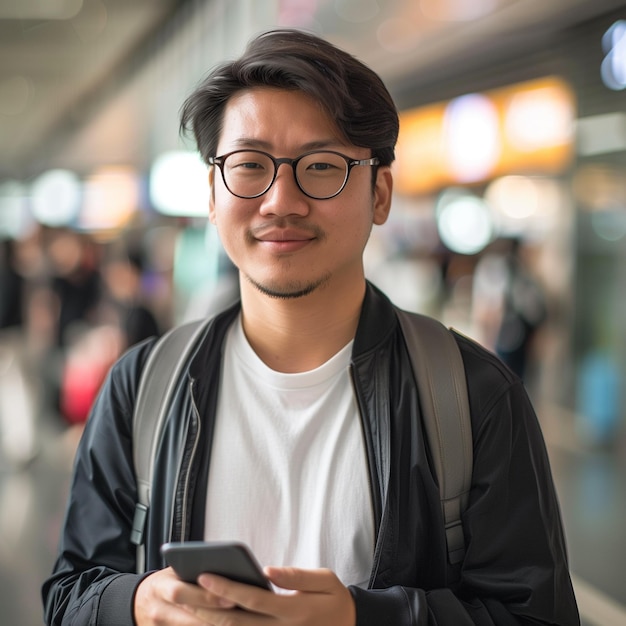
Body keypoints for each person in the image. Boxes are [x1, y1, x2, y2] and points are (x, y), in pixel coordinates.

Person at [42, 29, 579, 626]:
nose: (280, 200)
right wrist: (138, 603)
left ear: (380, 192)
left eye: (321, 167)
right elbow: (70, 595)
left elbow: (540, 616)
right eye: (249, 166)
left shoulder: (473, 396)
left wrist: (365, 618)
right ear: (214, 195)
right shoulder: (143, 388)